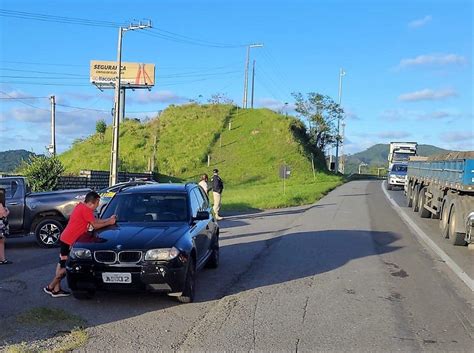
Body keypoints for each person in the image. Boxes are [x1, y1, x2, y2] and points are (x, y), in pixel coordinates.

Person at [44, 191, 116, 297]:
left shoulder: (81, 206)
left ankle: (56, 289)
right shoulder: (86, 210)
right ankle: (51, 286)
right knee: (66, 266)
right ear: (94, 202)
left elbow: (94, 220)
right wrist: (109, 222)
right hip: (69, 240)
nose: (98, 205)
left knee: (61, 263)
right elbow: (95, 225)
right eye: (98, 203)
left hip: (65, 238)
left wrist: (108, 220)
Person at [0, 188, 11, 265]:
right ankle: (2, 259)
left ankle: (2, 259)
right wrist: (7, 211)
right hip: (1, 224)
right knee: (1, 242)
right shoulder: (0, 205)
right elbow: (4, 214)